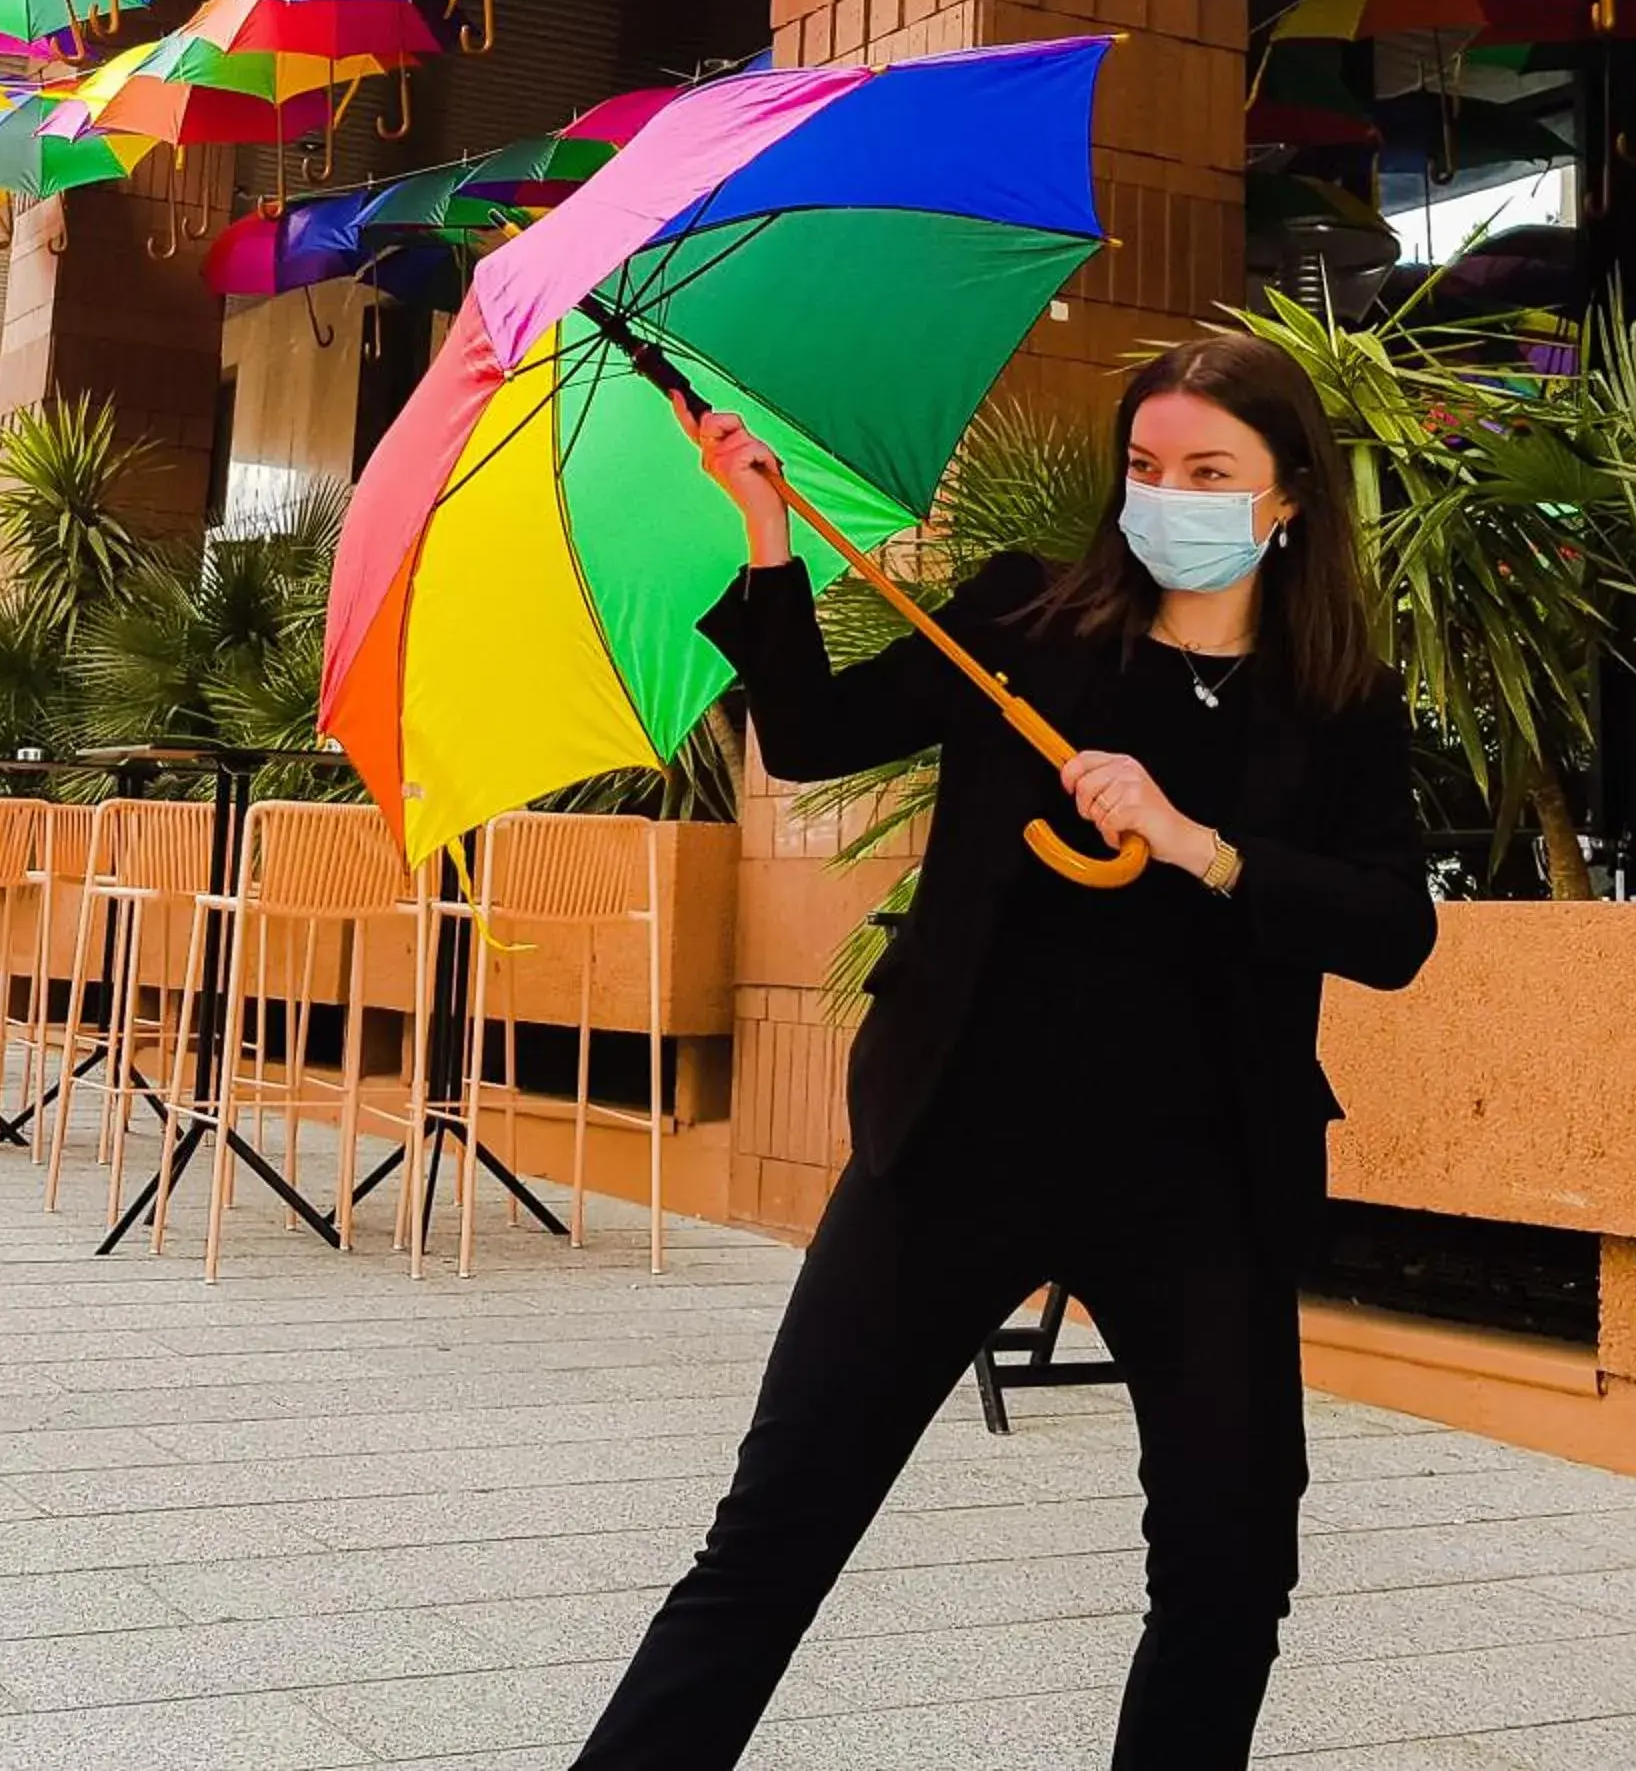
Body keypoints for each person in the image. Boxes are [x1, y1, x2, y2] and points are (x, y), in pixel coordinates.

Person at [572, 333, 1437, 1771]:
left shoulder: (1337, 700)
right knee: (773, 1539)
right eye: (1146, 467)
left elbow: (1392, 929)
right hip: (958, 1142)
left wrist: (1199, 847)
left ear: (1285, 498)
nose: (1167, 496)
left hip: (1202, 1177)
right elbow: (809, 736)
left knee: (1228, 1577)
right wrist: (768, 534)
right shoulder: (1024, 625)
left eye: (1208, 473)